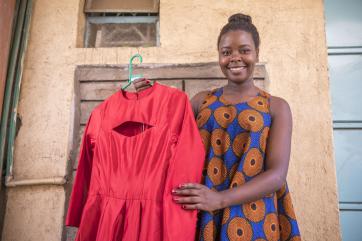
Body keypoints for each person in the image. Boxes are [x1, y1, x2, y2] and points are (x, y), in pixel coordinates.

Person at [134, 13, 300, 241]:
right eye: (226, 52)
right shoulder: (201, 102)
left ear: (257, 54)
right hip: (204, 213)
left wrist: (220, 199)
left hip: (254, 214)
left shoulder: (276, 107)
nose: (235, 58)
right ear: (219, 56)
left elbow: (277, 175)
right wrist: (147, 99)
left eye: (244, 50)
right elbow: (165, 139)